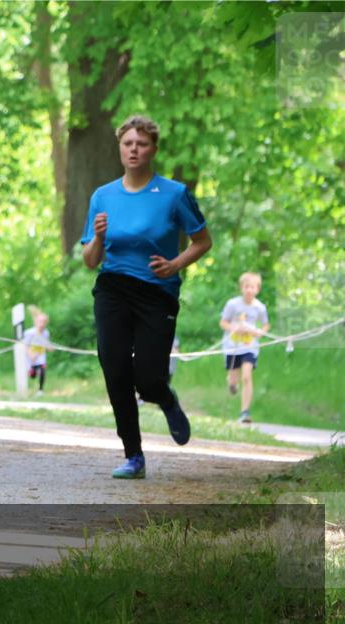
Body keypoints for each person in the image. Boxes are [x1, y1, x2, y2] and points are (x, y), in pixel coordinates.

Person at [80, 115, 212, 480]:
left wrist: (175, 264)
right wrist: (99, 238)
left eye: (141, 144)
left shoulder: (173, 194)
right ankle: (133, 455)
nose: (134, 150)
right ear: (120, 148)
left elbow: (203, 241)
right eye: (127, 143)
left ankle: (166, 399)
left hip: (157, 291)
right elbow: (90, 260)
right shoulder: (102, 196)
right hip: (113, 289)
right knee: (115, 367)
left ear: (153, 149)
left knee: (150, 379)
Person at [220, 272, 269, 424]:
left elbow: (266, 325)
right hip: (232, 346)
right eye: (246, 287)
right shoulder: (232, 304)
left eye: (252, 287)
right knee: (234, 380)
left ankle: (244, 412)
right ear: (241, 288)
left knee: (247, 376)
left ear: (257, 289)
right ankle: (232, 383)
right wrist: (234, 328)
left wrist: (260, 332)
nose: (249, 290)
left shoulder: (260, 307)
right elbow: (223, 322)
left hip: (250, 347)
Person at [22, 308, 50, 396]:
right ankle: (31, 372)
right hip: (30, 360)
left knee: (43, 370)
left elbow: (46, 345)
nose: (41, 324)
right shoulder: (29, 333)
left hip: (40, 358)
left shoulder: (46, 333)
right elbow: (25, 346)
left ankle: (40, 391)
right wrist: (31, 355)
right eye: (40, 321)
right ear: (36, 322)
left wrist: (49, 347)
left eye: (43, 322)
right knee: (32, 375)